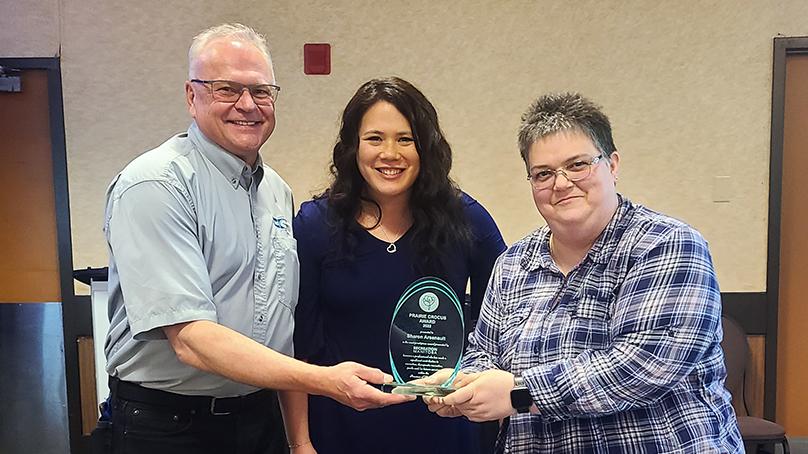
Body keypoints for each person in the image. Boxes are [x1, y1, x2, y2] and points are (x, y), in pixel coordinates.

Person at [101, 24, 409, 454]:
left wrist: (299, 440)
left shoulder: (276, 192)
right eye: (226, 89)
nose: (247, 105)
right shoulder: (156, 184)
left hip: (259, 419)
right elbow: (190, 338)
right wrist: (324, 380)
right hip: (169, 426)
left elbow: (283, 324)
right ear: (192, 96)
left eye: (261, 91)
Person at [426, 93, 743, 452]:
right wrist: (464, 384)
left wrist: (519, 393)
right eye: (543, 174)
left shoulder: (668, 244)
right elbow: (484, 352)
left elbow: (644, 365)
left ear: (613, 165)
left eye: (577, 165)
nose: (561, 183)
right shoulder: (513, 264)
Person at [290, 77, 507, 453]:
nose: (390, 153)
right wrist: (300, 442)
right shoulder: (314, 225)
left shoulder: (467, 220)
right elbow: (298, 347)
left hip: (446, 431)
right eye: (375, 138)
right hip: (341, 430)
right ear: (353, 146)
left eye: (405, 139)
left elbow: (508, 325)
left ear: (426, 147)